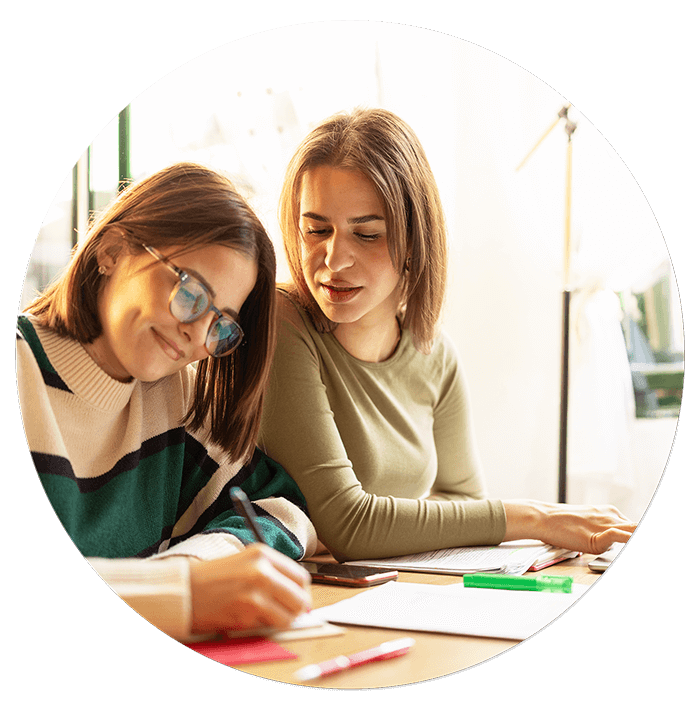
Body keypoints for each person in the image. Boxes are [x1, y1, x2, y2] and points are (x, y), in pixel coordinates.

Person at [258, 107, 635, 562]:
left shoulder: (432, 352)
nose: (334, 259)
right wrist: (539, 517)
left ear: (415, 239)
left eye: (368, 234)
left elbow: (466, 504)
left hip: (394, 587)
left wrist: (399, 525)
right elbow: (348, 524)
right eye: (316, 230)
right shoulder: (280, 322)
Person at [17, 163, 316, 640]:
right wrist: (185, 591)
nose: (197, 333)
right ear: (111, 252)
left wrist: (199, 563)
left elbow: (284, 511)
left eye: (221, 324)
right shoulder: (22, 375)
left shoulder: (178, 396)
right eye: (190, 291)